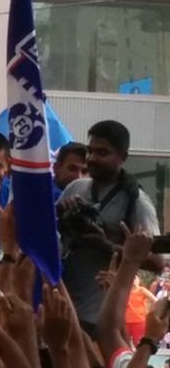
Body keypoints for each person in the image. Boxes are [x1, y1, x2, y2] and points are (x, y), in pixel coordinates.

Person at [58, 119, 162, 338]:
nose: (93, 158)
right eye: (90, 151)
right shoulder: (75, 188)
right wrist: (59, 212)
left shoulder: (137, 202)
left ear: (122, 157)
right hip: (60, 306)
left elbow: (157, 263)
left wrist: (106, 246)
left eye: (102, 153)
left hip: (98, 317)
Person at [125, 275, 156, 345]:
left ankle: (139, 355)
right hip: (126, 320)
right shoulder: (125, 290)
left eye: (135, 278)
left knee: (137, 342)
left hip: (139, 320)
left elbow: (155, 300)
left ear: (139, 280)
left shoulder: (142, 290)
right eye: (132, 278)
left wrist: (150, 312)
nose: (133, 280)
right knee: (125, 342)